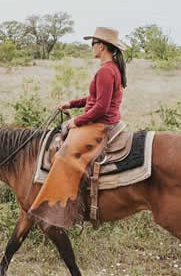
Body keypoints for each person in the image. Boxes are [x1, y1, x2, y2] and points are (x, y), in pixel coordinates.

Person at [29, 27, 127, 228]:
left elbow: (101, 107)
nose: (91, 47)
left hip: (100, 124)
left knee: (64, 157)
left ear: (101, 46)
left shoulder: (106, 71)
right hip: (99, 120)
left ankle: (67, 207)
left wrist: (77, 121)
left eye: (93, 43)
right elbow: (94, 99)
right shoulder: (109, 69)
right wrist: (71, 104)